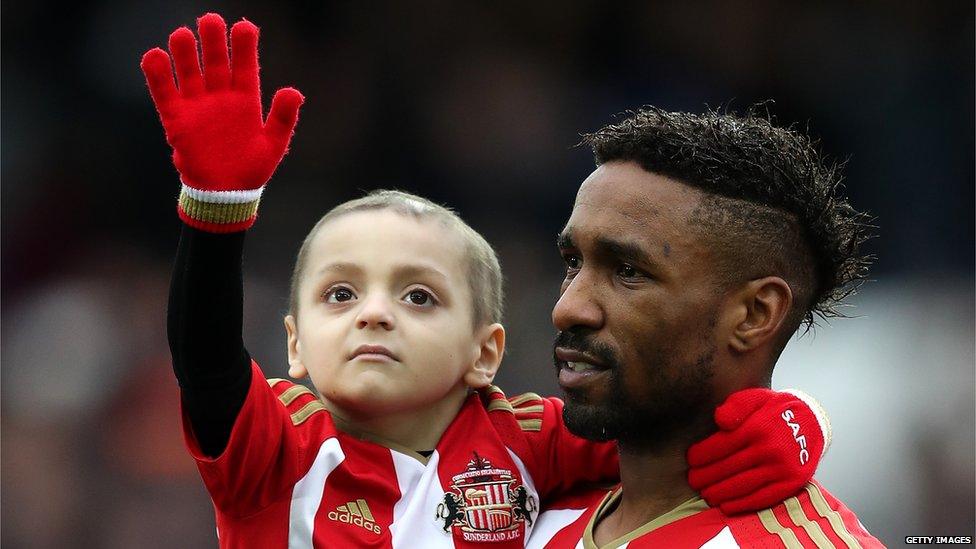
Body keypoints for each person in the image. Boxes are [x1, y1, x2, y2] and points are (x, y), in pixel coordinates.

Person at [142, 13, 832, 548]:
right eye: (339, 294)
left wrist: (796, 421)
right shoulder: (284, 447)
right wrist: (217, 213)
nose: (373, 315)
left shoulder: (523, 442)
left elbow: (665, 419)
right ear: (293, 344)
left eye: (419, 296)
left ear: (485, 351)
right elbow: (206, 360)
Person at [530, 107, 884, 547]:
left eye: (628, 271)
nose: (567, 309)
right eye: (572, 262)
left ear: (755, 314)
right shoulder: (514, 501)